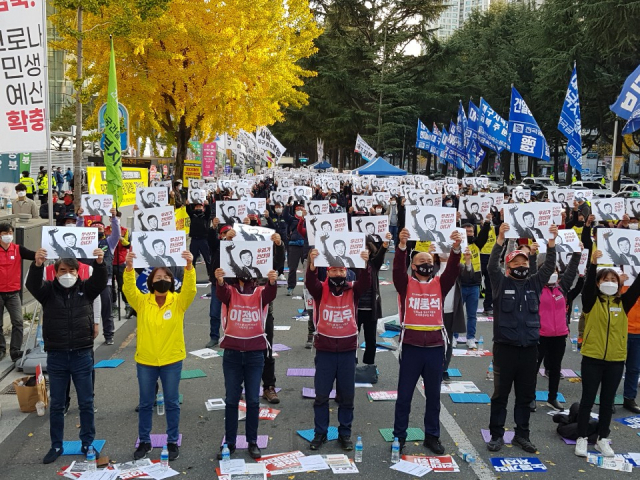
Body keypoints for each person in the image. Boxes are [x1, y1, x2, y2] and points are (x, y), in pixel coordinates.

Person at [26, 247, 107, 464]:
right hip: (57, 356)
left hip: (82, 354)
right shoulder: (47, 292)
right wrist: (37, 265)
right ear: (56, 272)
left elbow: (100, 281)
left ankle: (88, 443)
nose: (68, 274)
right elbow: (32, 285)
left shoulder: (86, 290)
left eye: (72, 270)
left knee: (86, 402)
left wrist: (99, 263)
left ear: (78, 272)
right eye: (63, 270)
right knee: (57, 404)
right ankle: (56, 445)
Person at [486, 222, 558, 454]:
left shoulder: (534, 284)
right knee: (501, 394)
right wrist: (500, 240)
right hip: (505, 348)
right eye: (515, 263)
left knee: (526, 396)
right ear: (508, 267)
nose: (520, 266)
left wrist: (551, 244)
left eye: (524, 262)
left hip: (529, 348)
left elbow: (547, 268)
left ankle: (522, 435)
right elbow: (491, 267)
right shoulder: (501, 283)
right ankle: (497, 435)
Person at [392, 228, 462, 454]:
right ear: (413, 266)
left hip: (434, 348)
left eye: (428, 260)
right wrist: (402, 247)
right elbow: (396, 271)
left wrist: (456, 248)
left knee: (433, 397)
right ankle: (399, 436)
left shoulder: (440, 284)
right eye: (420, 260)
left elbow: (452, 269)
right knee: (404, 396)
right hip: (411, 348)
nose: (425, 263)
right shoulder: (405, 284)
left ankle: (432, 436)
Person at [124, 250, 196, 462]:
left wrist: (189, 267)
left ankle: (172, 441)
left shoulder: (179, 302)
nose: (162, 280)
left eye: (166, 277)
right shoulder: (142, 302)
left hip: (172, 360)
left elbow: (191, 289)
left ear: (172, 281)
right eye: (158, 277)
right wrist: (128, 269)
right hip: (146, 360)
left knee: (172, 402)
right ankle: (144, 441)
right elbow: (128, 290)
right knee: (146, 403)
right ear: (150, 282)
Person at [574, 251, 640, 457]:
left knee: (607, 400)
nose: (610, 282)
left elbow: (637, 286)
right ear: (598, 282)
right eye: (605, 279)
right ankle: (582, 438)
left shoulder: (623, 303)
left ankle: (602, 438)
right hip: (592, 358)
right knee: (587, 400)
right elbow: (586, 290)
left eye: (613, 279)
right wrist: (593, 264)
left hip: (616, 359)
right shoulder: (591, 302)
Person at [305, 248, 370, 451]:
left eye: (341, 271)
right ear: (328, 272)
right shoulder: (320, 289)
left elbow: (366, 283)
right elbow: (310, 282)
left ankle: (345, 434)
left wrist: (365, 265)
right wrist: (312, 266)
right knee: (321, 396)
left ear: (347, 272)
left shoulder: (353, 289)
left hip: (347, 350)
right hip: (324, 350)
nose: (338, 274)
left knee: (347, 397)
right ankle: (320, 433)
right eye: (333, 271)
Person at [214, 264, 278, 460]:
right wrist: (219, 279)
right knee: (232, 399)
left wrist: (272, 281)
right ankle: (230, 442)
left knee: (252, 400)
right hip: (232, 353)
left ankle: (252, 441)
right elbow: (222, 292)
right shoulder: (229, 290)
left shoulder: (260, 291)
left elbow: (270, 294)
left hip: (254, 353)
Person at [536, 250, 581, 411]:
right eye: (549, 271)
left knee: (555, 368)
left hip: (559, 335)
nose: (553, 273)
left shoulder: (562, 288)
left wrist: (576, 254)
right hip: (540, 335)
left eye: (555, 270)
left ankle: (552, 398)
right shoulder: (536, 288)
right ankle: (528, 398)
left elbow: (571, 271)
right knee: (533, 368)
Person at [77, 209, 121, 345]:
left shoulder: (109, 243)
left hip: (104, 281)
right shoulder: (82, 244)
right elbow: (78, 233)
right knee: (84, 309)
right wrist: (80, 218)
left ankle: (109, 334)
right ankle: (85, 334)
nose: (97, 230)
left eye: (100, 228)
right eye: (94, 228)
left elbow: (117, 234)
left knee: (106, 309)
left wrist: (114, 219)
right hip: (86, 282)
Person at [0, 223, 36, 361]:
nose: (9, 235)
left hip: (13, 292)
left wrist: (43, 253)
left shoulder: (17, 249)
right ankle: (1, 349)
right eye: (5, 233)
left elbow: (33, 255)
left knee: (18, 322)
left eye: (10, 233)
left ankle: (15, 350)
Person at [186, 201, 212, 274]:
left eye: (200, 206)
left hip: (203, 240)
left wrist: (207, 205)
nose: (198, 208)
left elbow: (209, 212)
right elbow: (188, 210)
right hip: (194, 240)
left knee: (207, 258)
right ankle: (192, 274)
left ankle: (210, 274)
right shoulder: (192, 215)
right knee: (192, 259)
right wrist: (187, 205)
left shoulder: (205, 216)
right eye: (197, 206)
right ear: (194, 208)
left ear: (203, 208)